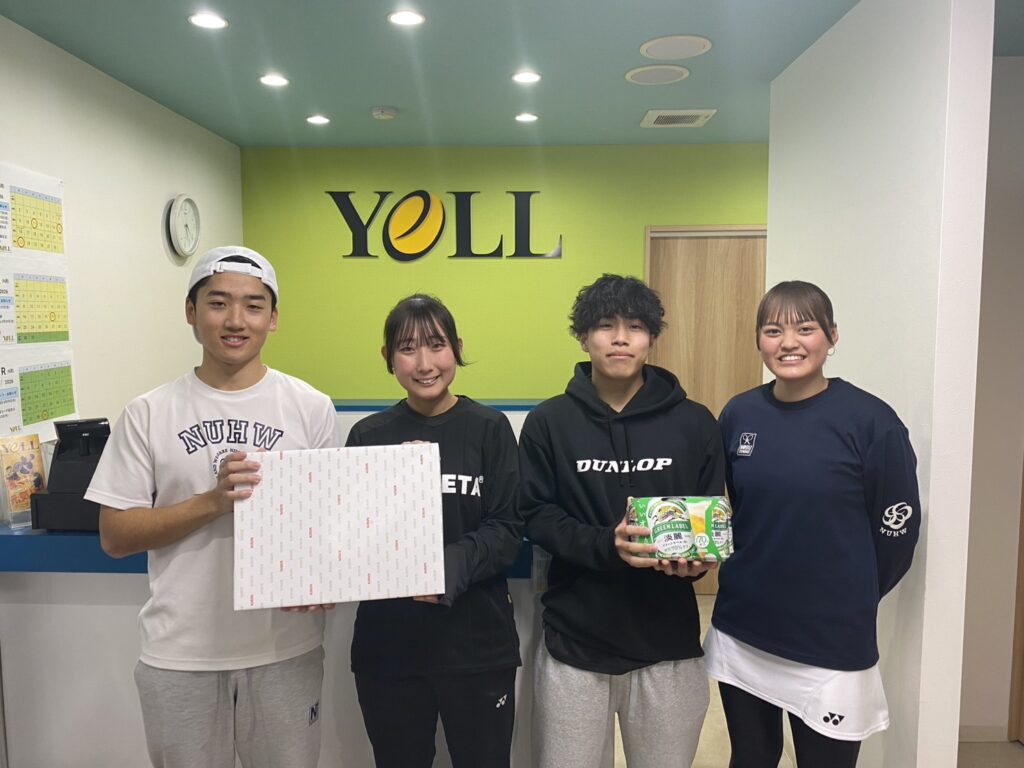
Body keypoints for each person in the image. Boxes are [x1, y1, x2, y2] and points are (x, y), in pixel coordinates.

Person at [85, 246, 340, 768]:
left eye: (253, 305)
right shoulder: (148, 413)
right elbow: (115, 536)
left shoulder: (311, 407)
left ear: (273, 318)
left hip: (285, 650)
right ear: (191, 312)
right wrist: (212, 502)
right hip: (180, 655)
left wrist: (329, 579)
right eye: (218, 303)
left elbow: (329, 526)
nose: (235, 320)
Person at [704, 280, 921, 768]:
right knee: (751, 757)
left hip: (831, 641)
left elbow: (897, 535)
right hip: (744, 628)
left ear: (832, 336)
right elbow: (739, 509)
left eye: (805, 329)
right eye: (773, 330)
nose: (789, 343)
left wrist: (849, 594)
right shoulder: (739, 414)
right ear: (759, 340)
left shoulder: (872, 422)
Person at [519, 273, 725, 768]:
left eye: (634, 326)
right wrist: (606, 545)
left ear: (651, 338)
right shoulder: (549, 422)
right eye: (605, 326)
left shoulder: (695, 422)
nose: (619, 338)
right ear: (583, 337)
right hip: (574, 644)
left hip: (668, 643)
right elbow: (535, 514)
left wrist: (696, 563)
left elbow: (706, 517)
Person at [344, 294, 523, 768]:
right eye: (407, 348)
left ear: (457, 348)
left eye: (437, 345)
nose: (424, 363)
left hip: (477, 645)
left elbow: (507, 528)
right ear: (387, 357)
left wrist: (444, 567)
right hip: (389, 648)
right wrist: (397, 481)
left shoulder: (490, 428)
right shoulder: (368, 436)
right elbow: (352, 537)